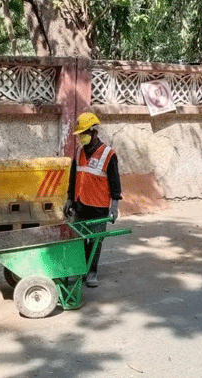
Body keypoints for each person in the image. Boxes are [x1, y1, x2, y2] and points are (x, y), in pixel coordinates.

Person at [63, 112, 122, 288]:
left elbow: (114, 182)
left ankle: (91, 273)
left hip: (98, 206)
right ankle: (79, 270)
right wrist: (68, 199)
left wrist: (115, 206)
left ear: (94, 132)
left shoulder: (108, 154)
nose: (81, 137)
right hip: (80, 204)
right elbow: (73, 178)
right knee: (78, 239)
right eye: (80, 134)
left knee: (95, 240)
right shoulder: (79, 152)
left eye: (84, 134)